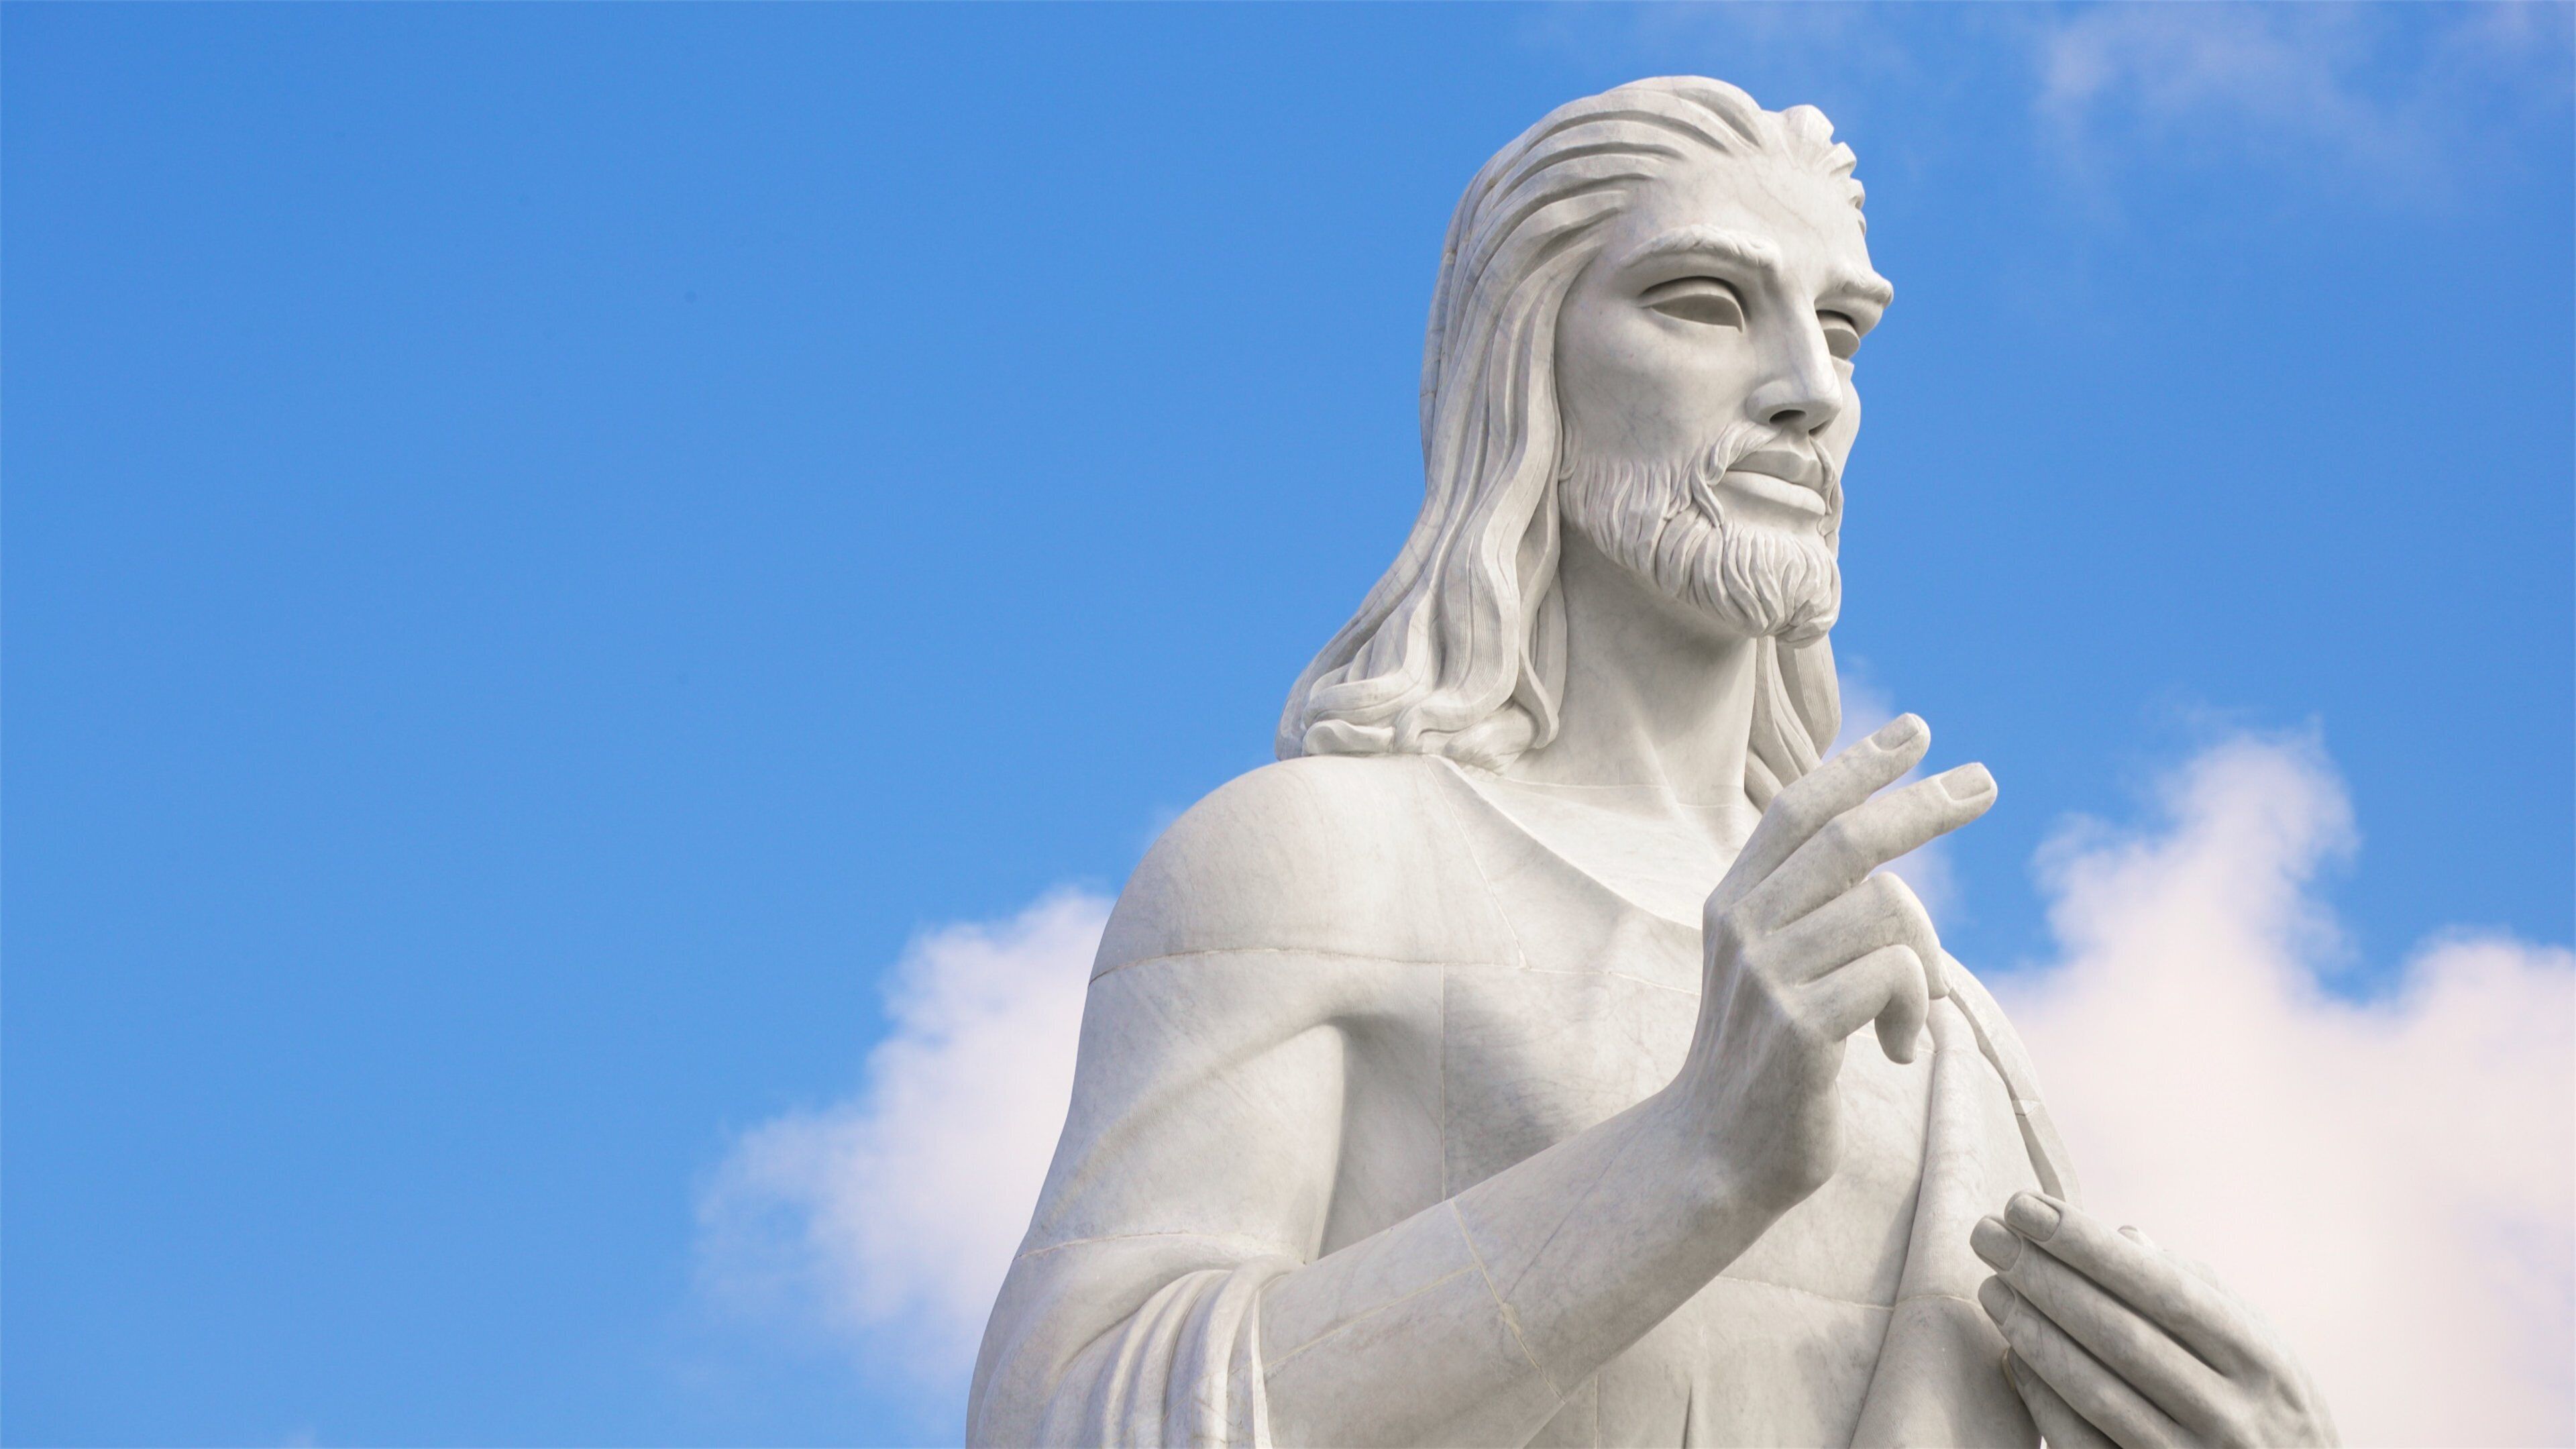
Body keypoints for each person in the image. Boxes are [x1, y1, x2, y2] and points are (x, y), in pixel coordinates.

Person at [969, 77, 2339, 1449]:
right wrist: (1691, 1162)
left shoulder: (1943, 1033)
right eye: (1704, 303)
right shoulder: (1318, 866)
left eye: (1844, 332)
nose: (1810, 392)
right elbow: (1072, 1421)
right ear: (1523, 364)